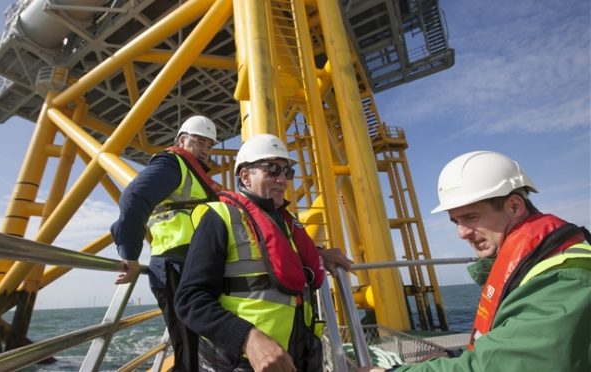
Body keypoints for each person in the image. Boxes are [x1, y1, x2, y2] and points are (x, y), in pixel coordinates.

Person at [368, 150, 591, 372]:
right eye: (456, 221)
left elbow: (510, 364)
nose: (462, 233)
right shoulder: (541, 260)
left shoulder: (566, 278)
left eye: (471, 217)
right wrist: (455, 356)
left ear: (514, 206)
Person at [174, 133, 352, 371]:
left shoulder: (285, 222)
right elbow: (190, 300)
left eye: (287, 172)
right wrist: (247, 338)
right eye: (272, 169)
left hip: (301, 355)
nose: (282, 179)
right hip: (244, 361)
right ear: (245, 176)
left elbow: (274, 256)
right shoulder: (220, 218)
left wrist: (319, 254)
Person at [111, 115, 221, 372]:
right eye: (200, 141)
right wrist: (129, 253)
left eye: (210, 145)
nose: (206, 149)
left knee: (201, 341)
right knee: (188, 343)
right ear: (182, 140)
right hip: (175, 264)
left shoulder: (194, 174)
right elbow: (134, 197)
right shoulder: (173, 164)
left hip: (195, 264)